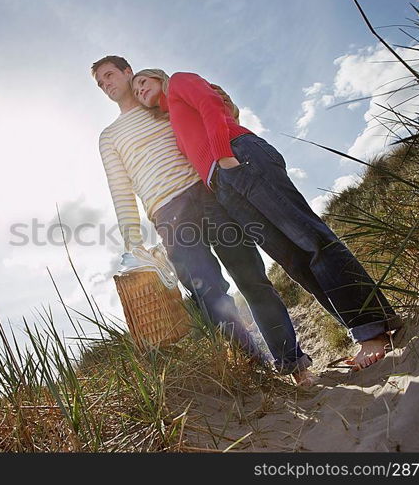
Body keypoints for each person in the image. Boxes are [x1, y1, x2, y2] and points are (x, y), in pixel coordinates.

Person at [131, 68, 402, 370]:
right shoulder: (171, 120)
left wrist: (223, 156)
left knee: (311, 240)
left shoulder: (179, 81)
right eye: (136, 89)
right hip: (224, 185)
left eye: (143, 81)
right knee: (295, 261)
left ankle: (374, 329)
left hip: (239, 158)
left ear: (158, 77)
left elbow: (211, 103)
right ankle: (362, 329)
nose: (140, 89)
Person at [92, 55, 318, 385]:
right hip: (167, 214)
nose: (106, 84)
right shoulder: (109, 136)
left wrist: (230, 109)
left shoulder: (163, 105)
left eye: (109, 75)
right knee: (210, 295)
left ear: (129, 72)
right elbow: (120, 188)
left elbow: (210, 118)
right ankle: (256, 374)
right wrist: (133, 244)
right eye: (100, 83)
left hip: (209, 192)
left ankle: (293, 364)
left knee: (251, 278)